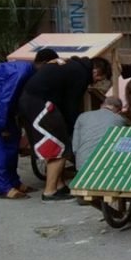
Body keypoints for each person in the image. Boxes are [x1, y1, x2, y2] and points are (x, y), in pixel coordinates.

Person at [19, 56, 112, 202]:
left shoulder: (73, 65)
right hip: (39, 105)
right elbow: (71, 105)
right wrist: (73, 129)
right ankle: (50, 191)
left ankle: (60, 185)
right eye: (99, 78)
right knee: (60, 147)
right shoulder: (81, 74)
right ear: (96, 71)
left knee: (61, 144)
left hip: (30, 102)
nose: (97, 82)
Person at [0, 49, 60, 199]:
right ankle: (4, 187)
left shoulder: (29, 72)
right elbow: (5, 98)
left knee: (12, 143)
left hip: (3, 107)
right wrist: (1, 125)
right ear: (44, 64)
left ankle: (14, 181)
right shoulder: (21, 72)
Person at [71, 96, 126, 171]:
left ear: (102, 105)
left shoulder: (82, 116)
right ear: (119, 111)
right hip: (106, 165)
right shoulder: (119, 119)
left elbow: (75, 146)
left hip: (82, 164)